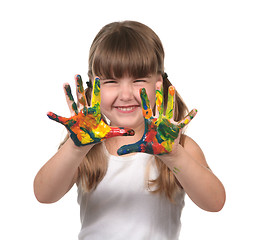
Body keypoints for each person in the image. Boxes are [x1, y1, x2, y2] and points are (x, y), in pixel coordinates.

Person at [34, 20, 226, 240]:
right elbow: (44, 195)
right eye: (111, 81)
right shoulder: (85, 147)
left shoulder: (179, 146)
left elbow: (214, 203)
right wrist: (75, 149)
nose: (125, 94)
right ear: (92, 85)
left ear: (158, 84)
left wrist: (173, 155)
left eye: (138, 80)